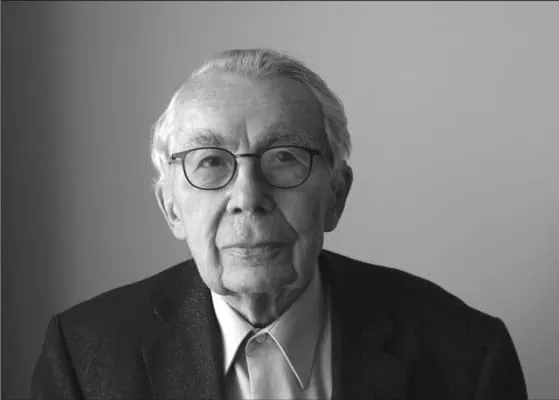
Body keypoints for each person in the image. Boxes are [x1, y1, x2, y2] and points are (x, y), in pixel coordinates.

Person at [31, 48, 528, 400]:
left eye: (285, 157)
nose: (249, 198)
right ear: (171, 209)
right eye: (210, 162)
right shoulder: (84, 356)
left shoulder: (467, 355)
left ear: (336, 196)